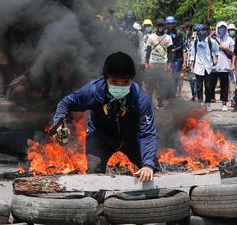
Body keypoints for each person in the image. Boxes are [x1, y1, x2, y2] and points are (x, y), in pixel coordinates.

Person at [52, 52, 158, 182]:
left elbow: (147, 134)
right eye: (114, 81)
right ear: (105, 78)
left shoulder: (141, 99)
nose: (120, 87)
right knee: (93, 177)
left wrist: (148, 164)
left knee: (153, 171)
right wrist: (59, 123)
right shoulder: (92, 91)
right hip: (100, 137)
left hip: (132, 139)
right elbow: (65, 103)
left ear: (132, 80)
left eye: (125, 82)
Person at [190, 24, 219, 112]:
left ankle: (207, 104)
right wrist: (192, 65)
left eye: (203, 31)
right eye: (199, 31)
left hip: (208, 67)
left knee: (208, 86)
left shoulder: (211, 41)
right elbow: (192, 54)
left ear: (206, 32)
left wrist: (216, 59)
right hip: (198, 66)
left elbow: (216, 50)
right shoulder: (195, 42)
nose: (201, 33)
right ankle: (200, 104)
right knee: (199, 87)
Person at [145, 18, 174, 108]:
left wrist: (169, 64)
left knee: (162, 84)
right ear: (156, 26)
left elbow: (170, 52)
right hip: (153, 63)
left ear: (164, 26)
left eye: (162, 25)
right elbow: (148, 51)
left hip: (163, 64)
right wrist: (147, 62)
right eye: (159, 25)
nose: (160, 27)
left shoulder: (168, 38)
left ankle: (160, 102)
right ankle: (149, 102)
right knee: (151, 83)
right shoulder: (151, 37)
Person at [212, 21, 235, 112]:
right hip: (213, 66)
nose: (222, 29)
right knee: (211, 85)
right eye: (220, 27)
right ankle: (208, 102)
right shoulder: (212, 39)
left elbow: (234, 52)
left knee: (224, 86)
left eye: (224, 28)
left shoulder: (230, 40)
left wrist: (225, 48)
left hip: (225, 66)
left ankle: (224, 103)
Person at [165, 16, 185, 97]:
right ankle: (168, 91)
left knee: (175, 75)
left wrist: (174, 49)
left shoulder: (178, 33)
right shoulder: (165, 33)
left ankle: (174, 92)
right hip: (167, 57)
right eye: (169, 23)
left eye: (172, 23)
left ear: (174, 24)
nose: (170, 25)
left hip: (177, 57)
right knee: (167, 74)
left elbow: (181, 45)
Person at [182, 22, 197, 102]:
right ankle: (194, 95)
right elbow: (184, 50)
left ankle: (197, 95)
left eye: (188, 28)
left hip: (196, 61)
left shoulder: (197, 36)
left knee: (196, 79)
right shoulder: (185, 38)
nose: (186, 30)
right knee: (191, 79)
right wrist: (184, 62)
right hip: (188, 61)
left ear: (191, 28)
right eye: (185, 29)